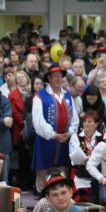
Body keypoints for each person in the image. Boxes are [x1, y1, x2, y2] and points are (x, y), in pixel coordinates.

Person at [31, 65, 77, 193]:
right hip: (46, 141)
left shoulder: (67, 95)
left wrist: (70, 132)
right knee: (43, 175)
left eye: (60, 76)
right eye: (55, 76)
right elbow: (38, 121)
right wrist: (53, 135)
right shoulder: (39, 96)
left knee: (63, 174)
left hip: (64, 141)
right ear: (49, 79)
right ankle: (42, 203)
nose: (58, 79)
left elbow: (74, 117)